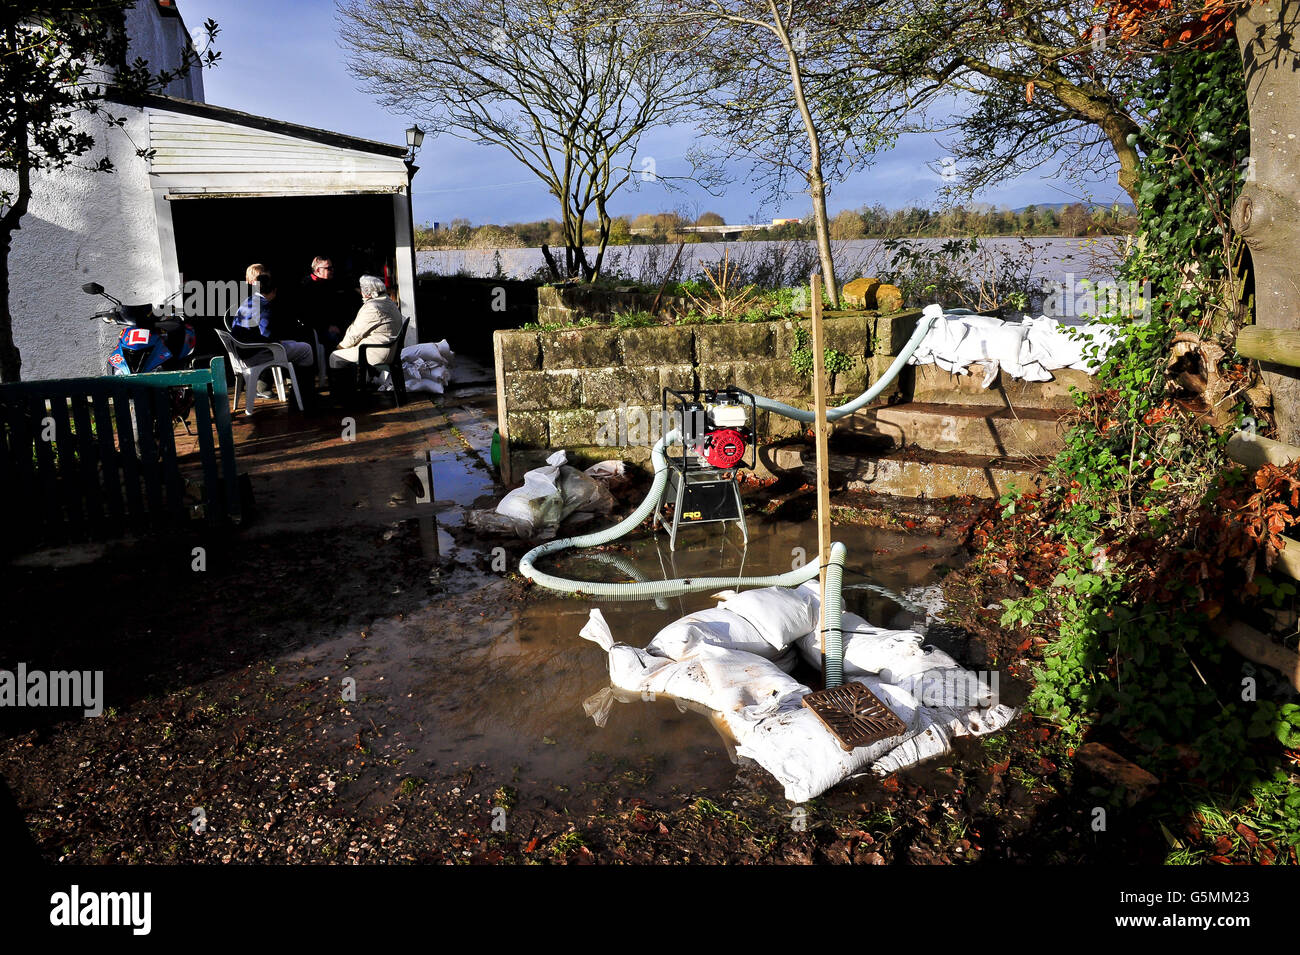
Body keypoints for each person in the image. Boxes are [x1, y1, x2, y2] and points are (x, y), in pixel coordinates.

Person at [231, 273, 317, 407]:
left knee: (294, 344)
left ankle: (300, 392)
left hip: (242, 353)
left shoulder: (248, 301)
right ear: (275, 290)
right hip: (256, 354)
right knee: (306, 349)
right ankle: (304, 395)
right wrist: (278, 342)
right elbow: (266, 335)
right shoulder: (264, 305)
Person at [328, 275, 404, 401]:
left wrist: (340, 347)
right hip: (390, 349)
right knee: (348, 352)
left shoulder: (372, 307)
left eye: (361, 290)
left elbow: (355, 334)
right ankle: (349, 392)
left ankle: (340, 398)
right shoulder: (388, 302)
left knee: (335, 356)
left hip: (378, 352)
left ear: (366, 293)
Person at [298, 256, 356, 350]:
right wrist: (327, 327)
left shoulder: (330, 282)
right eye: (329, 268)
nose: (332, 270)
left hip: (335, 324)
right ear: (318, 270)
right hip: (317, 328)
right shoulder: (306, 286)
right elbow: (307, 315)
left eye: (332, 267)